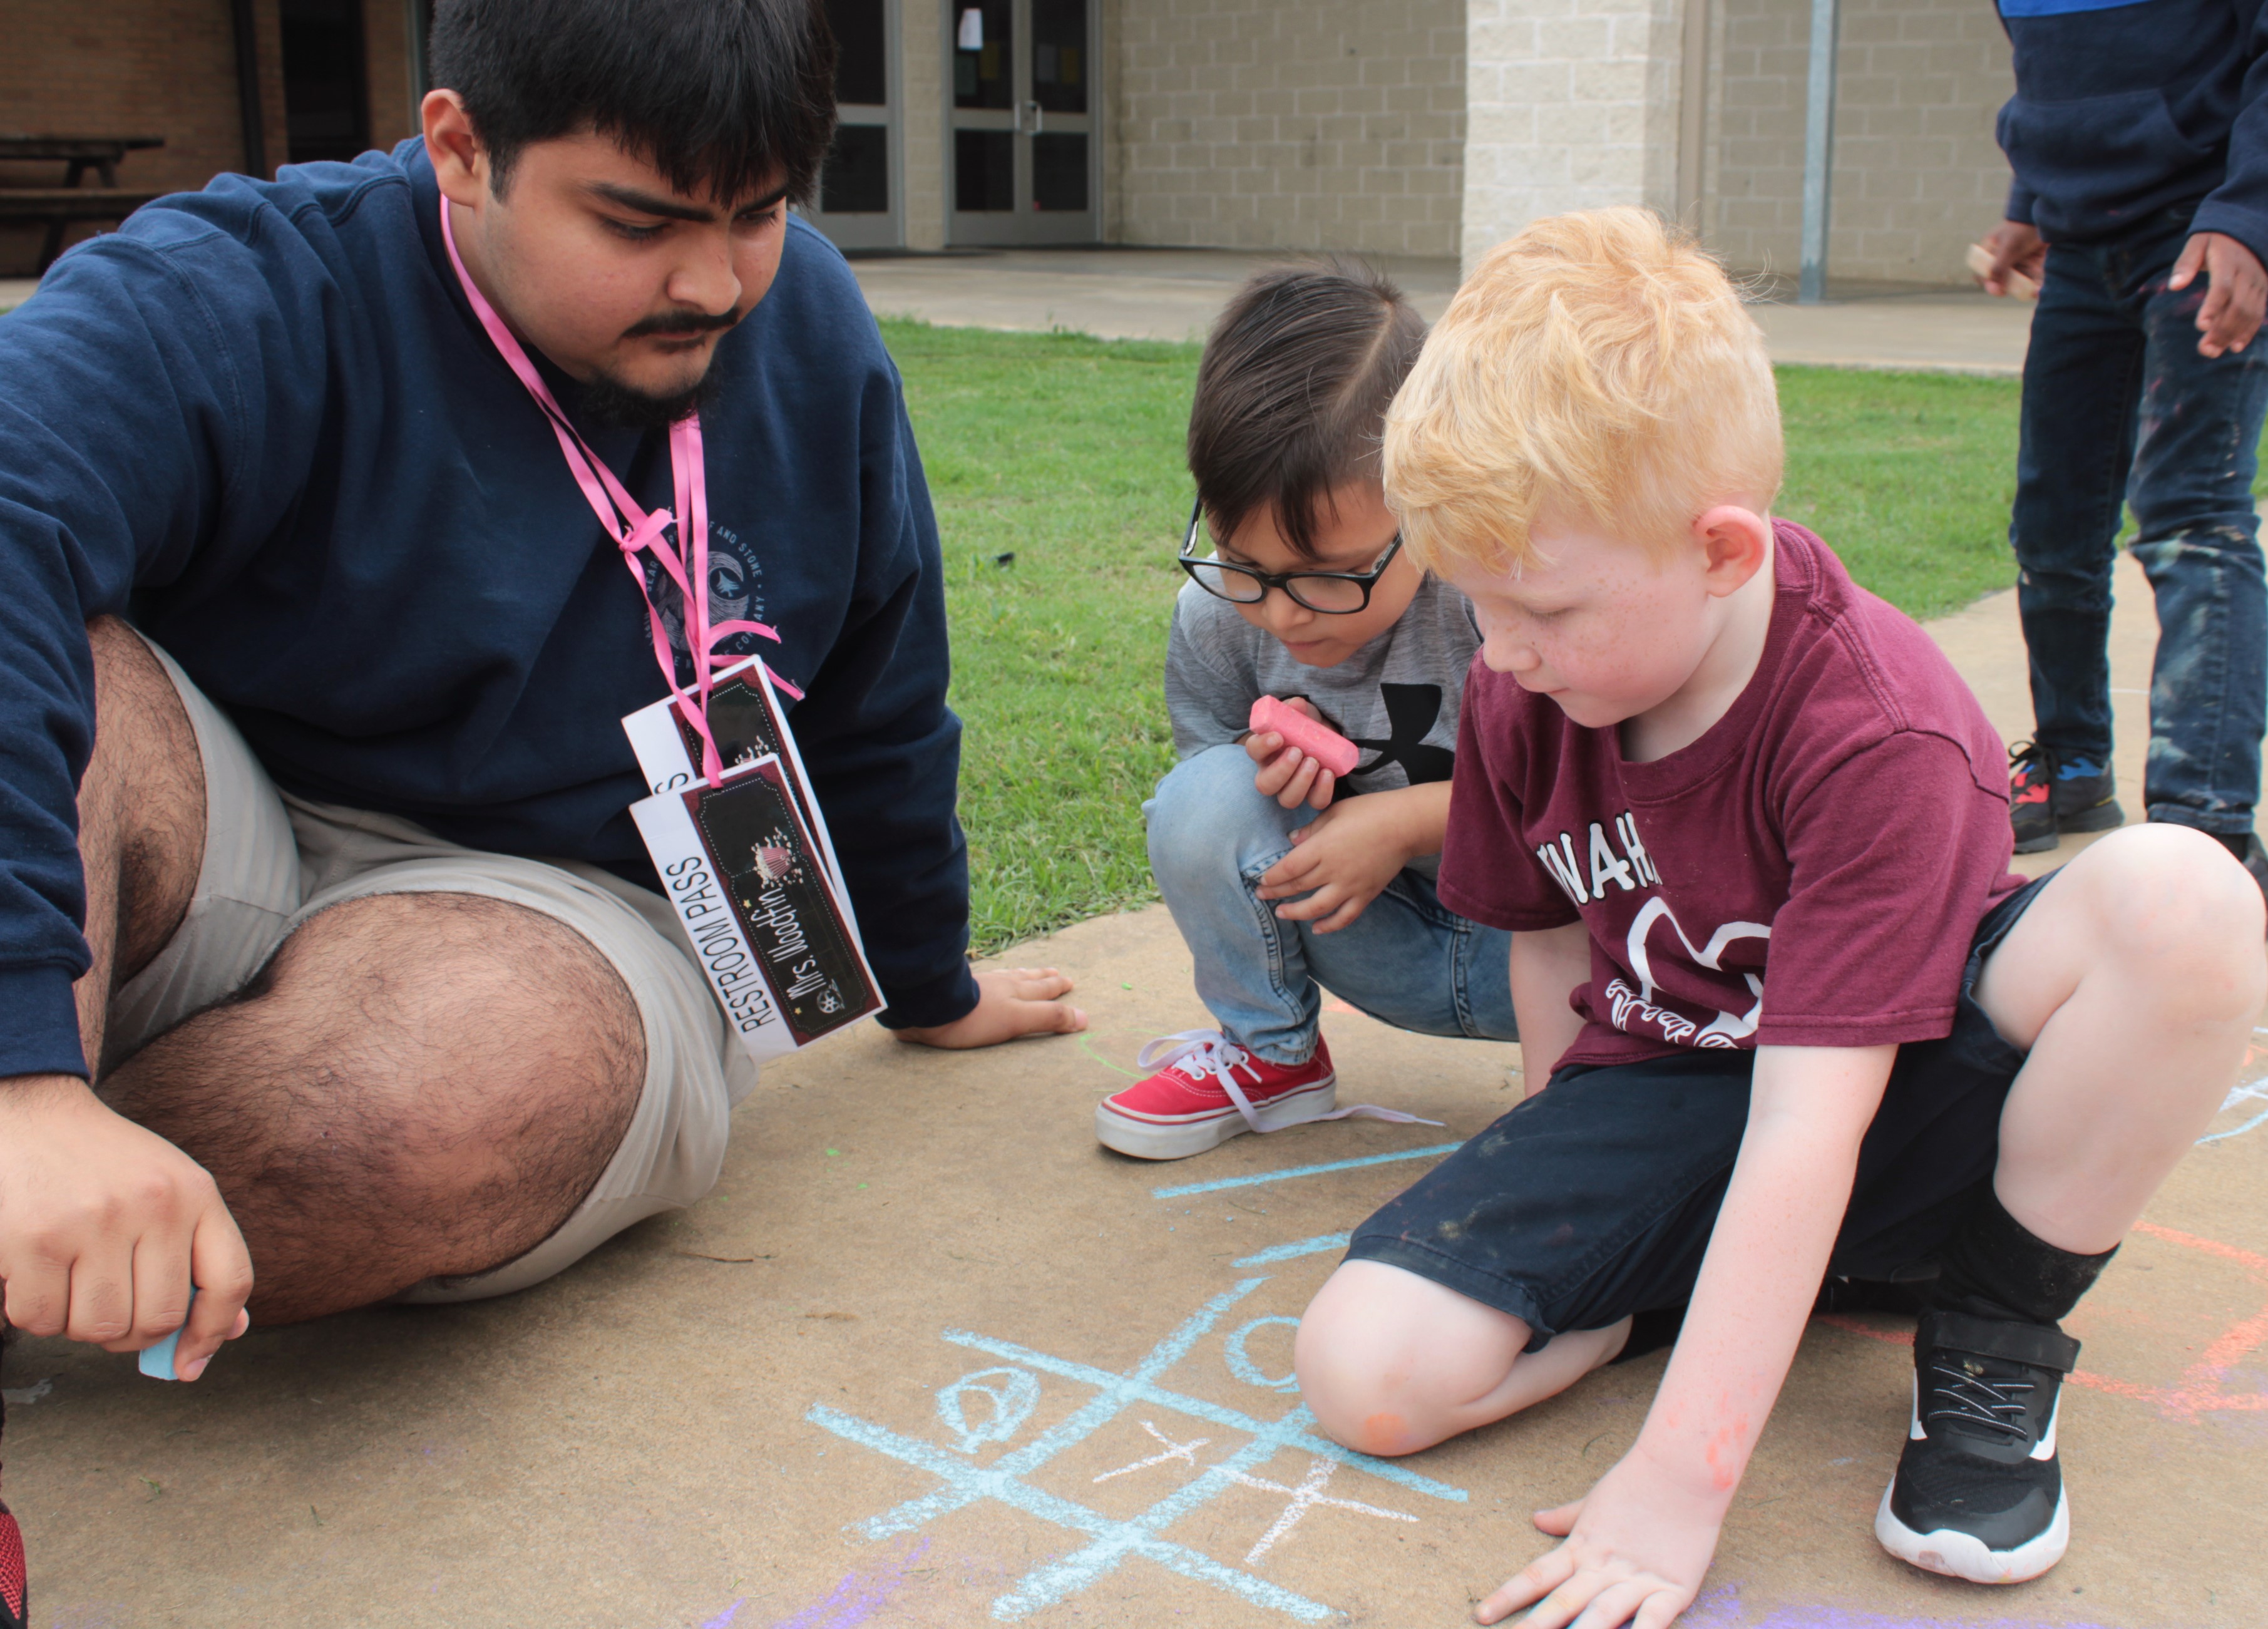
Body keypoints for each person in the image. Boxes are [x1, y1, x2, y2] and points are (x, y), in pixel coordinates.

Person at [0, 0, 1084, 1606]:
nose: (713, 284)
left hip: (570, 899)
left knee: (431, 1108)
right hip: (225, 794)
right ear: (459, 150)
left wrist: (928, 980)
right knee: (57, 661)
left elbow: (878, 692)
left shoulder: (817, 338)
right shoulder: (253, 283)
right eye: (639, 222)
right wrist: (23, 1080)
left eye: (759, 211)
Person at [1291, 209, 2265, 1627]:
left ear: (1723, 552)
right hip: (1677, 1081)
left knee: (2185, 897)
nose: (1499, 652)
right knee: (1361, 1372)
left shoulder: (1872, 723)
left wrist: (1680, 1480)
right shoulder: (1534, 680)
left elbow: (1812, 1122)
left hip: (1904, 1093)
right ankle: (1695, 1292)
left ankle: (1991, 1338)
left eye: (1541, 606)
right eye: (1478, 603)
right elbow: (1554, 947)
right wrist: (1583, 1226)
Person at [1094, 264, 1518, 1161]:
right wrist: (1269, 784)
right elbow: (1215, 830)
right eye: (1244, 563)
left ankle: (1638, 1069)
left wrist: (1404, 820)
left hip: (1555, 955)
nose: (1284, 614)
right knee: (1201, 796)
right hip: (1374, 939)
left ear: (1432, 495)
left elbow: (1606, 803)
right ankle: (1273, 1055)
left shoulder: (1501, 596)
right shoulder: (1217, 619)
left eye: (1332, 575)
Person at [1976, 7, 2268, 875]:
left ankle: (2202, 824)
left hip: (2202, 227)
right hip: (2078, 245)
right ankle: (2072, 765)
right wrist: (2032, 201)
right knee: (2052, 528)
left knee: (2191, 520)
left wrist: (2253, 213)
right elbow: (2056, 70)